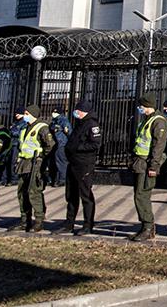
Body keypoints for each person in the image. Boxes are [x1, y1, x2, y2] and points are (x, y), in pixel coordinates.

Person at [130, 94, 167, 241]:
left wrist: (154, 166)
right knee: (139, 194)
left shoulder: (158, 122)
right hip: (140, 162)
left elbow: (158, 146)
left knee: (142, 195)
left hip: (147, 164)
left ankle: (148, 227)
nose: (140, 108)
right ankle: (146, 227)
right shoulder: (147, 120)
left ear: (148, 106)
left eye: (141, 106)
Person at [60, 100, 102, 235]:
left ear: (84, 112)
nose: (76, 113)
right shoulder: (79, 123)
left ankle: (88, 224)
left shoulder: (92, 125)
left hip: (84, 164)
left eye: (78, 111)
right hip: (73, 163)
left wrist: (77, 148)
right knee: (71, 194)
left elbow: (95, 145)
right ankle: (69, 223)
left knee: (85, 195)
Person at [12, 104, 54, 232]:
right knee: (22, 193)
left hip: (35, 164)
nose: (25, 116)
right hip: (24, 164)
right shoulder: (25, 128)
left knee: (34, 192)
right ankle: (25, 221)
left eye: (27, 114)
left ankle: (39, 221)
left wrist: (42, 159)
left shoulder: (42, 128)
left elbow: (50, 145)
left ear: (33, 115)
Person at [48, 107, 72, 188]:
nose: (53, 114)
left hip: (61, 144)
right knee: (54, 162)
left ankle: (62, 180)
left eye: (55, 112)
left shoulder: (63, 120)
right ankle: (55, 179)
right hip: (56, 144)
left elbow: (69, 132)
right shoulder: (54, 121)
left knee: (61, 162)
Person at [3, 111, 27, 185]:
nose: (16, 115)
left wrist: (12, 131)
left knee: (14, 162)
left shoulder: (24, 123)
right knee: (8, 161)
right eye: (16, 113)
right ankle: (6, 179)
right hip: (12, 144)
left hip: (17, 144)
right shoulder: (15, 122)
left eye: (18, 113)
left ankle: (14, 179)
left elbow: (18, 133)